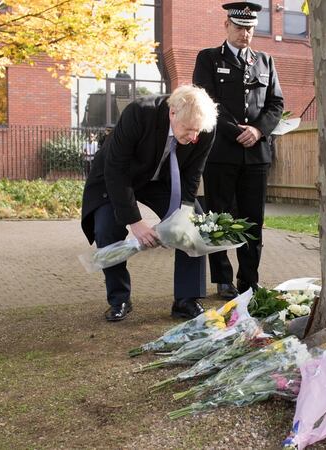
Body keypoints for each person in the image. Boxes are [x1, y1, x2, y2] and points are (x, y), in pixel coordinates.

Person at [81, 85, 218, 322]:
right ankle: (119, 299)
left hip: (160, 181)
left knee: (195, 224)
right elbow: (116, 169)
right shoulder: (139, 113)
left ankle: (186, 299)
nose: (194, 137)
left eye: (198, 131)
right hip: (116, 178)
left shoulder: (203, 128)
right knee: (106, 229)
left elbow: (193, 174)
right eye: (189, 130)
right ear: (172, 113)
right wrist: (135, 222)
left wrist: (179, 218)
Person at [192, 2, 284, 299]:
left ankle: (249, 280)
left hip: (256, 155)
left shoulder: (265, 61)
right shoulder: (207, 59)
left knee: (253, 219)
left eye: (251, 29)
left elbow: (275, 104)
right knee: (218, 218)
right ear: (227, 26)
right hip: (222, 153)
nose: (246, 34)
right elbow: (207, 103)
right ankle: (222, 279)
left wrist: (257, 130)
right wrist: (237, 132)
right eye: (240, 27)